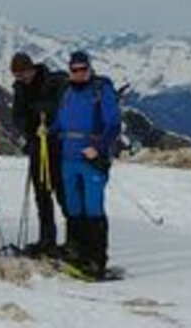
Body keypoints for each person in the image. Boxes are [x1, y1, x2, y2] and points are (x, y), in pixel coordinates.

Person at [51, 50, 122, 279]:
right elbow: (60, 122)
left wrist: (99, 148)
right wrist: (48, 132)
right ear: (70, 71)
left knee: (93, 208)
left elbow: (113, 124)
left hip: (91, 158)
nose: (79, 73)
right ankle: (76, 251)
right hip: (68, 157)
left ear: (90, 69)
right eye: (75, 70)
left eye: (83, 69)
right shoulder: (68, 93)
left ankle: (96, 260)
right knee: (73, 207)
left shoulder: (101, 90)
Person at [10, 52, 71, 259]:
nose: (22, 78)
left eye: (24, 73)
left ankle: (73, 240)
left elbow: (63, 108)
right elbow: (17, 116)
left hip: (57, 145)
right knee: (42, 194)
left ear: (32, 68)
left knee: (62, 193)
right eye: (18, 76)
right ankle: (47, 239)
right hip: (37, 145)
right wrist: (29, 128)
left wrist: (47, 119)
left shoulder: (53, 82)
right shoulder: (19, 89)